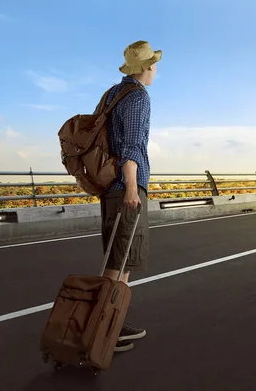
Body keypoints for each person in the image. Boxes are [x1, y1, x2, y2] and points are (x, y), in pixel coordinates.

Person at [98, 40, 162, 352]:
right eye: (154, 65)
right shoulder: (138, 97)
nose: (155, 70)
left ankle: (112, 323)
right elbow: (132, 146)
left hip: (110, 187)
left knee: (120, 256)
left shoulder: (113, 94)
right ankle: (104, 326)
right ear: (146, 68)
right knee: (122, 257)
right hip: (126, 187)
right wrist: (133, 188)